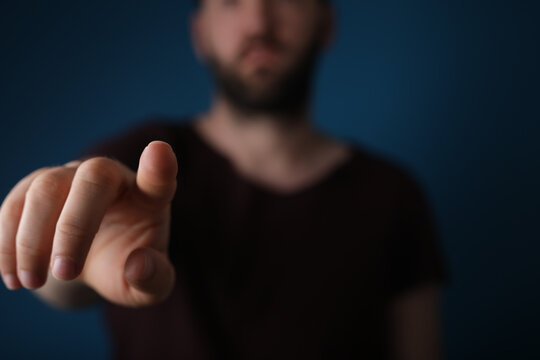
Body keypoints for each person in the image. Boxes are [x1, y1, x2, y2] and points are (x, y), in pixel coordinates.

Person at [0, 0, 447, 359]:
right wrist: (64, 248)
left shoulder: (392, 195)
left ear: (326, 24)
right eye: (231, 1)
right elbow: (64, 285)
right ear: (201, 34)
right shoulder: (134, 160)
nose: (258, 19)